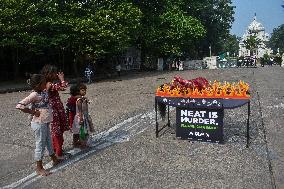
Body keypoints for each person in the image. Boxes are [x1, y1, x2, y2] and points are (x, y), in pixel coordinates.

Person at [16, 74, 60, 176]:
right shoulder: (34, 94)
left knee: (48, 141)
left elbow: (48, 96)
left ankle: (54, 159)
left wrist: (49, 88)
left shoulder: (43, 91)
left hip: (45, 122)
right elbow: (19, 105)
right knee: (40, 144)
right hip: (39, 123)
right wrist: (33, 112)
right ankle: (39, 167)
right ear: (38, 85)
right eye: (44, 82)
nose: (46, 84)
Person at [41, 65, 69, 159]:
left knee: (57, 130)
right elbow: (63, 87)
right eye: (53, 73)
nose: (55, 74)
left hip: (56, 109)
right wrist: (62, 79)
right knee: (57, 130)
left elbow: (61, 88)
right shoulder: (49, 84)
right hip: (54, 110)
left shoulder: (48, 83)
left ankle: (56, 150)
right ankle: (58, 153)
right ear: (48, 74)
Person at [67, 82, 94, 148]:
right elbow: (80, 110)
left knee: (76, 131)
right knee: (82, 131)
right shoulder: (79, 100)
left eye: (85, 90)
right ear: (77, 91)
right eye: (82, 90)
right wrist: (81, 118)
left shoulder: (81, 98)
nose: (84, 91)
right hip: (80, 117)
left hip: (79, 117)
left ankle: (75, 143)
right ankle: (82, 144)